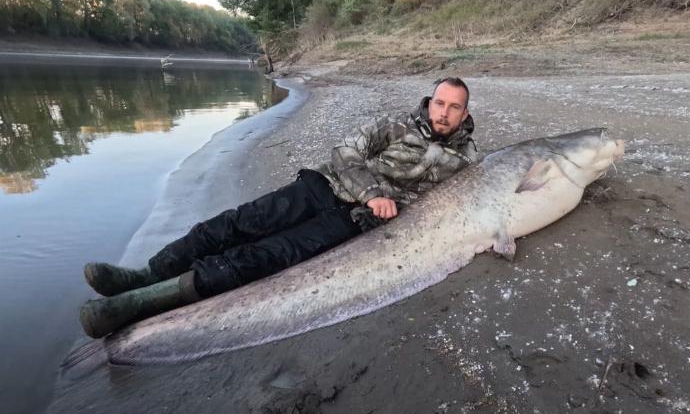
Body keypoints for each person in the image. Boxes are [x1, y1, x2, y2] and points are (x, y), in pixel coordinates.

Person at [79, 77, 478, 338]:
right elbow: (344, 152)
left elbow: (459, 201)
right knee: (236, 224)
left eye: (453, 107)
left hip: (351, 221)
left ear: (465, 113)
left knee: (262, 258)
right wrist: (373, 191)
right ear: (429, 102)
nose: (442, 112)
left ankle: (141, 303)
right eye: (439, 103)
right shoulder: (395, 125)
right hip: (324, 187)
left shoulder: (465, 161)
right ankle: (142, 276)